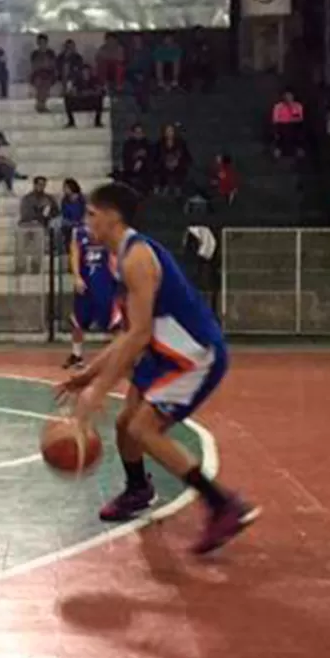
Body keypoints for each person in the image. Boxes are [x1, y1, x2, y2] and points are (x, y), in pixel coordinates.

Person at [55, 183, 258, 555]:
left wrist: (97, 390)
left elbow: (139, 334)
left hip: (193, 354)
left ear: (113, 216)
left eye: (92, 215)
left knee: (142, 428)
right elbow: (129, 335)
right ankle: (138, 490)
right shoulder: (121, 257)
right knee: (125, 426)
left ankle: (222, 504)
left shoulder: (137, 258)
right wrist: (87, 375)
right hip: (163, 353)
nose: (86, 224)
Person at [63, 223, 118, 370]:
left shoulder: (110, 232)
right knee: (78, 320)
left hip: (104, 283)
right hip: (86, 282)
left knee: (113, 323)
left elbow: (115, 256)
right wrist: (77, 277)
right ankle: (76, 355)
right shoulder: (80, 233)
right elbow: (75, 255)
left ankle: (117, 359)